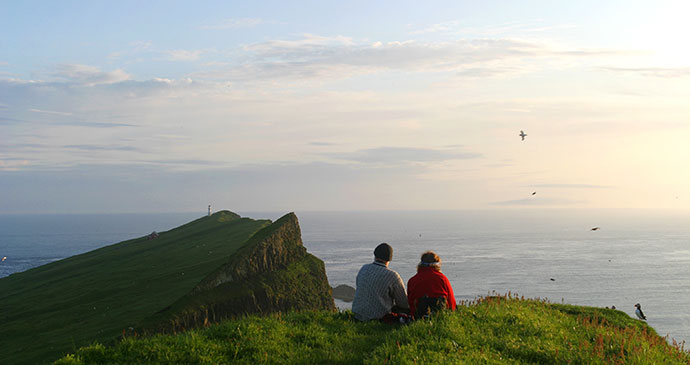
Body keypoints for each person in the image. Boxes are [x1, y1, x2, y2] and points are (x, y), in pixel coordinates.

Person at [352, 243, 409, 321]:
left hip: (357, 315)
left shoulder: (364, 268)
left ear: (375, 255)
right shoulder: (392, 276)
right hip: (379, 317)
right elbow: (403, 303)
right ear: (389, 259)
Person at [407, 251, 456, 319]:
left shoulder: (412, 281)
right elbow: (451, 303)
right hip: (440, 316)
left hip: (418, 316)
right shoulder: (443, 279)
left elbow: (410, 302)